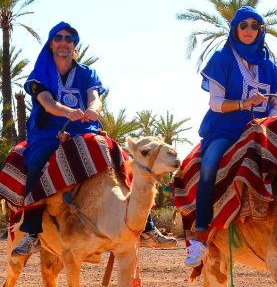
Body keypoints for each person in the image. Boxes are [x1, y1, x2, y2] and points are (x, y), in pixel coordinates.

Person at [13, 21, 175, 257]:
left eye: (69, 39)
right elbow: (46, 102)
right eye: (58, 37)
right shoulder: (41, 73)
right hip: (50, 132)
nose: (63, 43)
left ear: (74, 45)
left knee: (119, 156)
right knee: (37, 161)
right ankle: (32, 232)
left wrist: (94, 109)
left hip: (85, 128)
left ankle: (147, 227)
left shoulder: (87, 73)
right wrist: (68, 112)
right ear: (51, 43)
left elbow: (95, 97)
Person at [184, 6, 277, 267]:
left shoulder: (268, 64)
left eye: (255, 26)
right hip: (225, 130)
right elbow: (216, 103)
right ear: (235, 29)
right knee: (209, 166)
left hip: (261, 129)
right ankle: (201, 235)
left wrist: (270, 117)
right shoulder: (222, 59)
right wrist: (244, 103)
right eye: (244, 25)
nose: (249, 30)